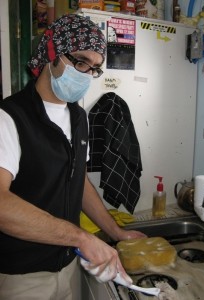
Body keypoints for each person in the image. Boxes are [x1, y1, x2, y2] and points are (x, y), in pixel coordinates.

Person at [0, 14, 145, 299]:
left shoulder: (78, 116)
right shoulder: (10, 117)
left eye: (94, 68)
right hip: (23, 276)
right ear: (52, 54)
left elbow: (78, 181)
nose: (86, 74)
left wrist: (114, 231)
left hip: (69, 265)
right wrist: (80, 236)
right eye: (80, 61)